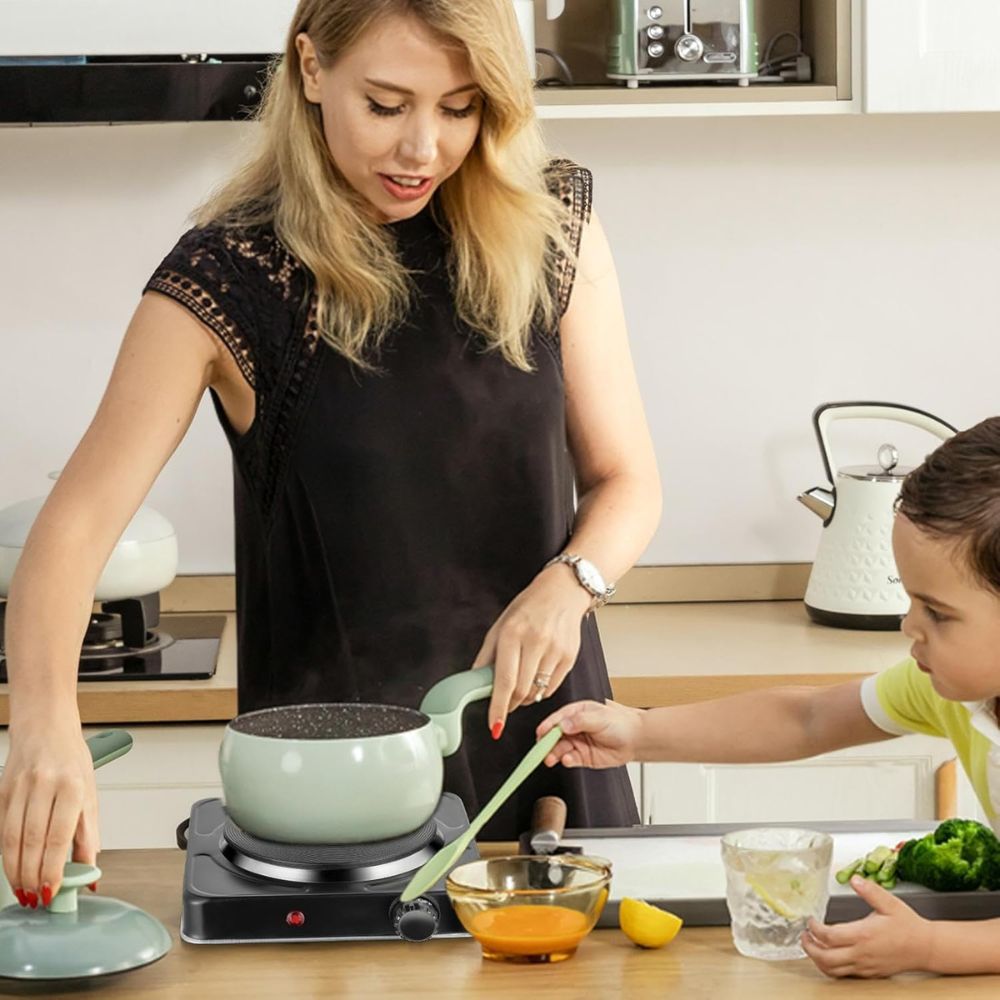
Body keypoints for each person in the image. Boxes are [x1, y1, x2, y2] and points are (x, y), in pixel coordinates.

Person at [0, 0, 661, 909]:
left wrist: (570, 585)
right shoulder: (230, 278)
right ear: (311, 70)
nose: (423, 148)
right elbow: (70, 533)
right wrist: (44, 725)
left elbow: (629, 482)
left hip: (548, 744)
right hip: (335, 790)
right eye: (386, 105)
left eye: (460, 108)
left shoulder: (549, 228)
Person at [538, 415, 1000, 979]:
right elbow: (807, 718)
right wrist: (639, 731)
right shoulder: (948, 691)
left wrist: (931, 949)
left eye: (938, 613)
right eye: (910, 599)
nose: (909, 626)